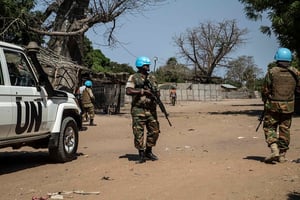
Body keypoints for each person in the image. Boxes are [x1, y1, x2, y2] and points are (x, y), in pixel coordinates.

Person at [261, 47, 299, 163]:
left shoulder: (272, 72)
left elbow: (265, 90)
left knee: (269, 127)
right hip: (289, 106)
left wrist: (265, 102)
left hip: (273, 106)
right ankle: (282, 155)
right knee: (285, 129)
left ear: (277, 58)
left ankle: (274, 150)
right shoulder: (296, 72)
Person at [125, 56, 160, 164]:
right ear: (140, 66)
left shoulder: (152, 78)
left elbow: (157, 91)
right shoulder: (133, 77)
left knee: (154, 131)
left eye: (148, 65)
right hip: (138, 109)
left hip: (151, 109)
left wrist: (155, 95)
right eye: (146, 65)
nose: (148, 67)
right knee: (138, 132)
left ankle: (148, 151)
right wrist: (143, 92)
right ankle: (141, 154)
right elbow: (129, 90)